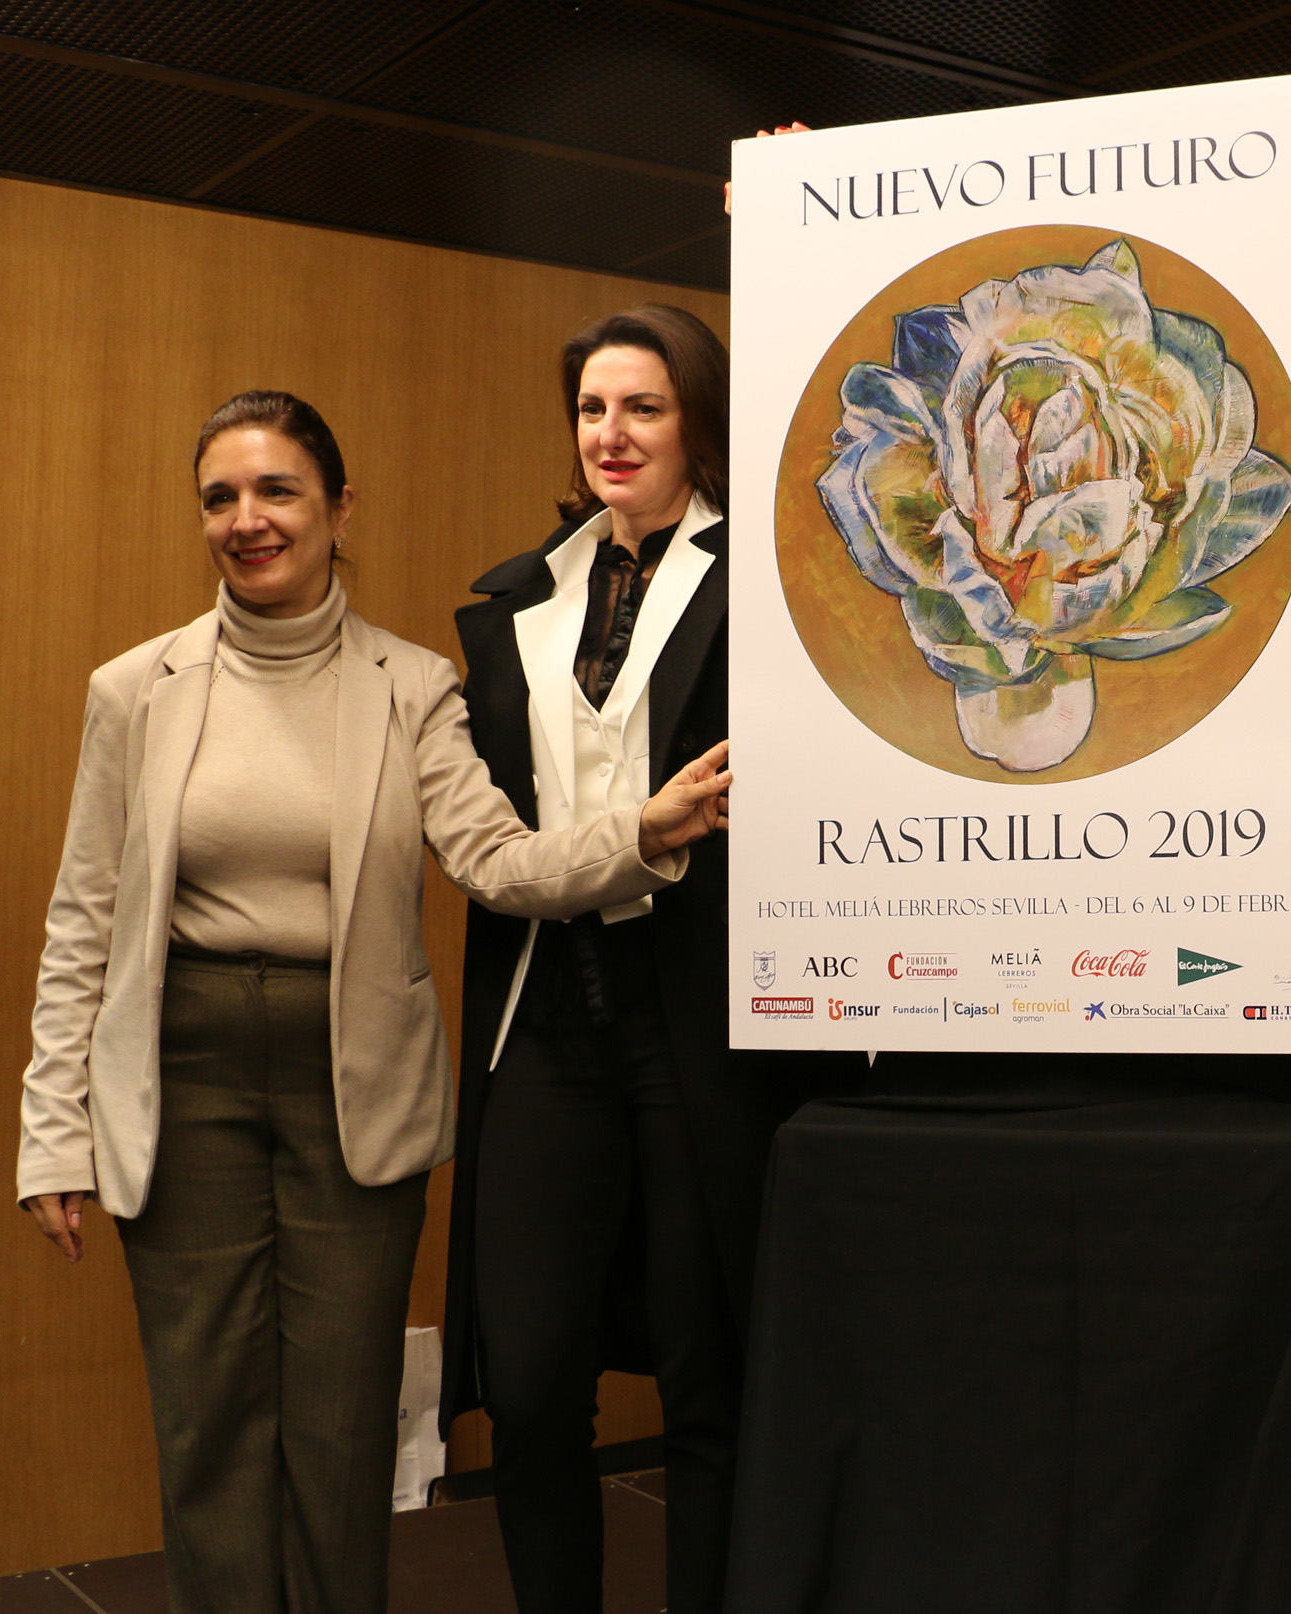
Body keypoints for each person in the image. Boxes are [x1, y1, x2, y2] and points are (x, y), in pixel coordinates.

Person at [16, 390, 737, 1614]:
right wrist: (53, 1130)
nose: (247, 520)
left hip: (355, 1085)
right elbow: (82, 918)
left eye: (277, 490)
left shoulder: (413, 686)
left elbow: (500, 862)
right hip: (181, 1081)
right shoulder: (135, 690)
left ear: (339, 508)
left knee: (343, 1427)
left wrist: (641, 832)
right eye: (220, 497)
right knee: (206, 1417)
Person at [443, 304, 863, 1613]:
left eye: (644, 407)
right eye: (592, 408)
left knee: (707, 1375)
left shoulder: (773, 579)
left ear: (698, 424)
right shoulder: (516, 601)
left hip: (701, 1021)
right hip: (545, 1017)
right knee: (528, 1382)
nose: (612, 433)